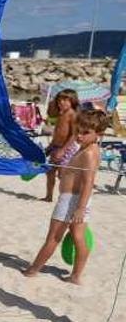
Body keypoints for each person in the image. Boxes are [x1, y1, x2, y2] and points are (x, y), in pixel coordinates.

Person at [24, 109, 109, 284]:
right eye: (78, 131)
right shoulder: (85, 148)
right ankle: (76, 276)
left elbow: (88, 182)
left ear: (99, 134)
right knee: (78, 236)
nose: (79, 136)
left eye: (85, 133)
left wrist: (80, 208)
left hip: (73, 200)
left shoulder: (90, 153)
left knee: (54, 237)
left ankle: (33, 270)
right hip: (76, 199)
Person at [42, 89, 80, 202]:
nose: (61, 102)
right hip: (55, 146)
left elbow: (74, 135)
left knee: (63, 175)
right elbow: (58, 132)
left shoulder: (73, 115)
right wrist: (50, 146)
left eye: (65, 100)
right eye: (59, 100)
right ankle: (49, 196)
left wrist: (63, 150)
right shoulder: (60, 113)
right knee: (50, 172)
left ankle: (65, 198)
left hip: (66, 148)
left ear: (72, 101)